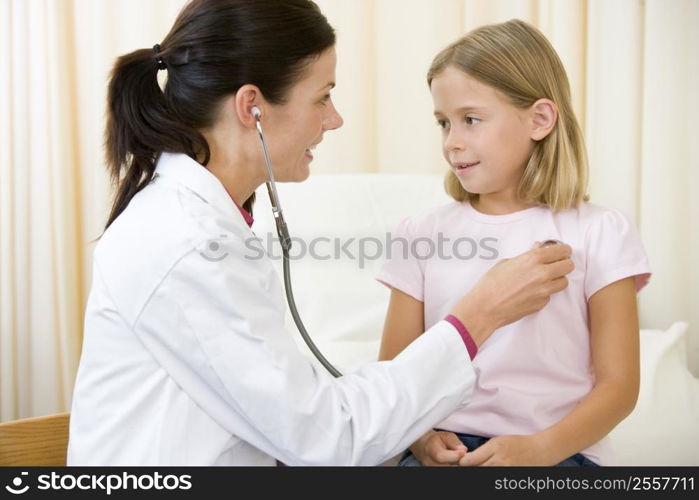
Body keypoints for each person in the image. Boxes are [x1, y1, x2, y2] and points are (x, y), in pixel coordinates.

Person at [67, 1, 574, 466]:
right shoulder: (182, 243)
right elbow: (326, 438)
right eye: (323, 97)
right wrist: (478, 317)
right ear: (253, 108)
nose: (335, 119)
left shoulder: (207, 225)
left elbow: (301, 408)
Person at [377, 19, 652, 467]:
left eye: (471, 120)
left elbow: (619, 388)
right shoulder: (421, 234)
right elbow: (393, 372)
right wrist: (422, 438)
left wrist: (540, 450)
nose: (452, 142)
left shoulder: (601, 231)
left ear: (539, 120)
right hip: (448, 451)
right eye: (444, 123)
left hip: (559, 451)